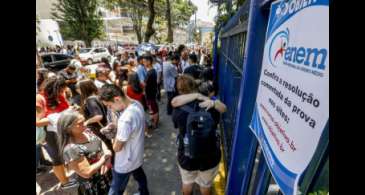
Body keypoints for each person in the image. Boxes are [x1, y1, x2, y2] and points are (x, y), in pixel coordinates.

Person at [171, 75, 225, 195]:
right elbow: (222, 112)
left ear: (180, 91)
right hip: (209, 156)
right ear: (195, 86)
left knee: (187, 182)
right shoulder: (210, 105)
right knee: (205, 184)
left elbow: (176, 124)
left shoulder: (178, 109)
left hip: (187, 155)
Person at [99, 84, 150, 195]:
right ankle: (144, 192)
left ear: (117, 99)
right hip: (136, 155)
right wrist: (117, 127)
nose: (109, 108)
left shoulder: (125, 119)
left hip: (125, 161)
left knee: (115, 189)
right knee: (139, 174)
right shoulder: (137, 104)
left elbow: (117, 148)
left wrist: (112, 134)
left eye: (109, 105)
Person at [58, 110, 112, 194]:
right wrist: (105, 158)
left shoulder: (87, 131)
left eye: (84, 121)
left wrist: (107, 154)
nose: (85, 124)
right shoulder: (70, 149)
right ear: (68, 128)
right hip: (94, 184)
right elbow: (87, 172)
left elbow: (100, 141)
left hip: (106, 175)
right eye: (80, 123)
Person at [38, 76, 75, 188]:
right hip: (50, 134)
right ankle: (64, 183)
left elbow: (65, 107)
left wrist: (71, 110)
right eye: (61, 90)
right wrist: (55, 117)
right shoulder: (40, 98)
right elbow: (37, 122)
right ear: (54, 88)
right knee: (57, 159)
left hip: (62, 130)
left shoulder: (59, 96)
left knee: (64, 155)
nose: (63, 92)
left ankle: (67, 176)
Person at [78, 79, 113, 153]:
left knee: (106, 149)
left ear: (84, 89)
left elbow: (98, 116)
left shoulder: (90, 100)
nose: (78, 90)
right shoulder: (97, 97)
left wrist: (87, 121)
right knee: (109, 147)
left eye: (79, 88)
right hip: (104, 126)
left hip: (98, 129)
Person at [143, 55, 159, 132]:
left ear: (149, 62)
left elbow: (144, 84)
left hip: (150, 94)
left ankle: (155, 124)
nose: (143, 63)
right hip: (152, 92)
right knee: (153, 107)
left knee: (153, 109)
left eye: (145, 61)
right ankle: (154, 121)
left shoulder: (150, 73)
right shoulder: (153, 70)